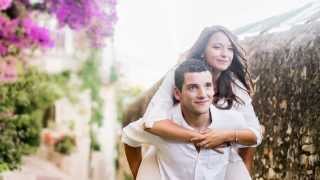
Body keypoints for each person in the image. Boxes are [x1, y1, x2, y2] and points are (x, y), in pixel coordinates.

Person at [141, 25, 262, 173]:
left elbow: (254, 134)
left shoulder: (234, 85)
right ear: (203, 51)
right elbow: (151, 122)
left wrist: (225, 136)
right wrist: (200, 138)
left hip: (216, 161)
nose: (225, 54)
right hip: (176, 157)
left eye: (230, 49)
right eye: (217, 47)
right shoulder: (180, 74)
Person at [122, 59, 254, 180]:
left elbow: (251, 140)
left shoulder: (231, 120)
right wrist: (139, 174)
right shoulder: (161, 125)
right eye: (193, 87)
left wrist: (243, 168)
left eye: (207, 85)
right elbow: (129, 136)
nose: (202, 94)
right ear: (177, 94)